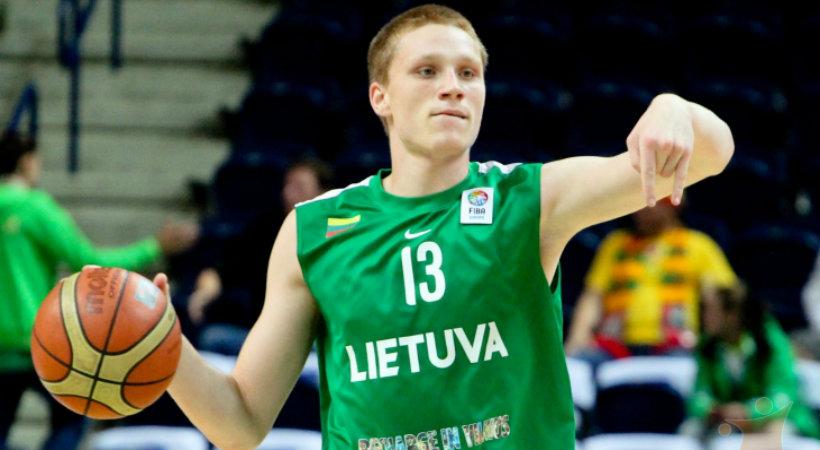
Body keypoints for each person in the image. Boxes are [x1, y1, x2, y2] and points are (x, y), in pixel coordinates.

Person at [151, 5, 734, 449]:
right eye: (427, 71)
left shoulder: (529, 199)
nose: (453, 85)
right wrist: (162, 345)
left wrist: (676, 109)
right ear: (380, 97)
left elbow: (711, 156)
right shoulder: (314, 229)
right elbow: (240, 423)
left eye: (468, 72)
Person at [0, 131, 198, 450]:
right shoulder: (35, 207)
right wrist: (154, 247)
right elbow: (91, 264)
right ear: (26, 161)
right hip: (36, 338)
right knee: (73, 417)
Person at [186, 157, 333, 355]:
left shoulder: (340, 232)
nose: (288, 193)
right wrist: (206, 291)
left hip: (318, 336)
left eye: (299, 187)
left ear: (323, 192)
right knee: (213, 338)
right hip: (267, 337)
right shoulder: (265, 228)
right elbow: (222, 268)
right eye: (287, 186)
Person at [565, 198, 737, 366]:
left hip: (675, 345)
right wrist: (575, 341)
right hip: (613, 346)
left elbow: (724, 296)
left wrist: (714, 338)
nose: (641, 209)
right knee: (576, 367)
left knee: (691, 367)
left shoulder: (698, 245)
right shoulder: (615, 244)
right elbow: (593, 297)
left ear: (674, 203)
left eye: (651, 201)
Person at [688, 284, 820, 443]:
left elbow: (783, 398)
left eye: (710, 311)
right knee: (691, 430)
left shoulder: (770, 343)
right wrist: (712, 410)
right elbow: (699, 394)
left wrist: (748, 411)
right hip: (726, 420)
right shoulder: (707, 346)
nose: (704, 317)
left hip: (771, 419)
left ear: (732, 315)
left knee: (774, 434)